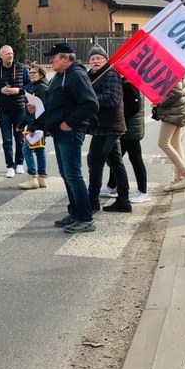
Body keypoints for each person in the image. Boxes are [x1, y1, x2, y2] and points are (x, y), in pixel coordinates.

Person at [33, 43, 99, 234]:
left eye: (54, 57)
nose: (50, 60)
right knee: (66, 173)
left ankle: (85, 218)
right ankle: (75, 213)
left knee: (73, 174)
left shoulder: (76, 76)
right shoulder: (60, 76)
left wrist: (69, 122)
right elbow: (56, 103)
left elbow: (90, 104)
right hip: (59, 131)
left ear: (66, 58)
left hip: (70, 132)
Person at [85, 45, 131, 213]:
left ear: (105, 59)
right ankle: (124, 200)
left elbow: (112, 99)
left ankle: (92, 201)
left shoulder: (111, 75)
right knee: (115, 163)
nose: (95, 61)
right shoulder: (90, 75)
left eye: (99, 58)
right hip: (99, 126)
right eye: (92, 59)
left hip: (109, 126)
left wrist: (89, 98)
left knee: (94, 160)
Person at [0, 44, 32, 178]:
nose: (10, 55)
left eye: (11, 53)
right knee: (7, 140)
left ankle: (19, 164)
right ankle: (10, 166)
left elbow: (29, 85)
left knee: (20, 139)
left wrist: (19, 90)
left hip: (20, 108)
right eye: (7, 54)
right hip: (4, 109)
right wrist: (0, 90)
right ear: (1, 56)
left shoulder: (21, 68)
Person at [104, 77, 149, 203]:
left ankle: (143, 191)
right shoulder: (128, 82)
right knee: (115, 158)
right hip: (127, 128)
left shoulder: (129, 84)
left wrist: (120, 118)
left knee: (135, 159)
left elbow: (134, 106)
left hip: (130, 129)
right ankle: (112, 186)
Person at [155, 77, 185, 191]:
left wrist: (159, 102)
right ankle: (179, 177)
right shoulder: (177, 69)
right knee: (175, 143)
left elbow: (176, 92)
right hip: (178, 111)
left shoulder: (173, 71)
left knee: (163, 143)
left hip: (172, 113)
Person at [18, 64, 49, 190]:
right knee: (40, 151)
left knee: (26, 150)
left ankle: (33, 177)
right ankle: (42, 178)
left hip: (37, 126)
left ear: (41, 74)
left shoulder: (41, 88)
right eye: (30, 72)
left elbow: (41, 110)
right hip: (38, 126)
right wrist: (21, 124)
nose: (31, 74)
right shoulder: (35, 87)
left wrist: (32, 128)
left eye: (34, 72)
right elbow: (30, 111)